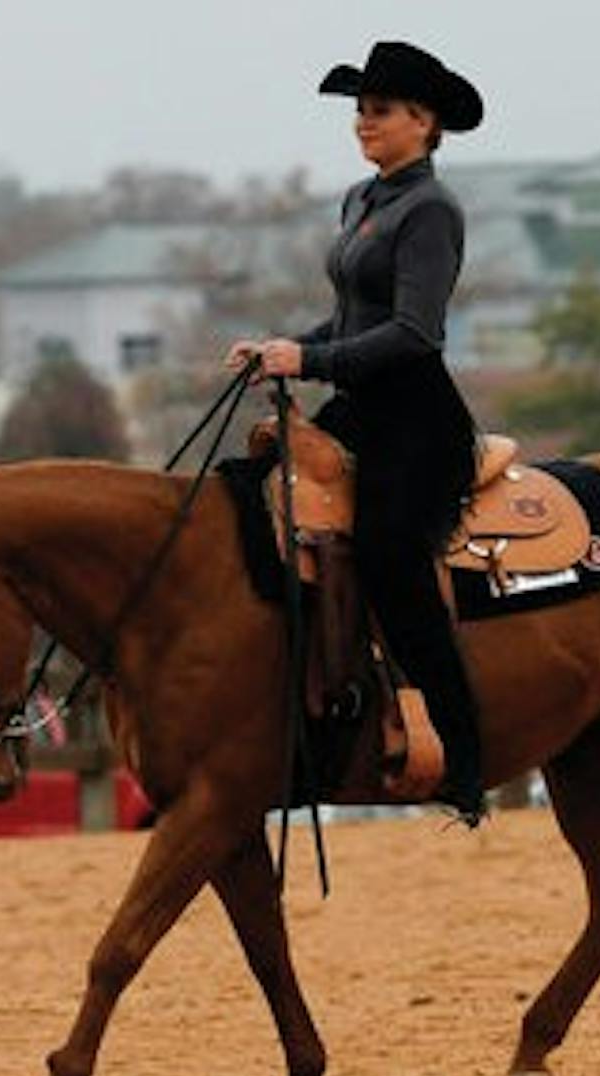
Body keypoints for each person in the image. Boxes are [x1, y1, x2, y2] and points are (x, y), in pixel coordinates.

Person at [225, 40, 485, 823]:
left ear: (424, 122)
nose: (364, 124)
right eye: (360, 111)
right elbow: (349, 319)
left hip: (415, 419)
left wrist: (306, 357)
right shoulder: (361, 201)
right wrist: (282, 351)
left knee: (388, 555)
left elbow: (414, 332)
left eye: (380, 111)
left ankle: (465, 754)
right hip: (360, 408)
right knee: (250, 501)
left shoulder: (432, 210)